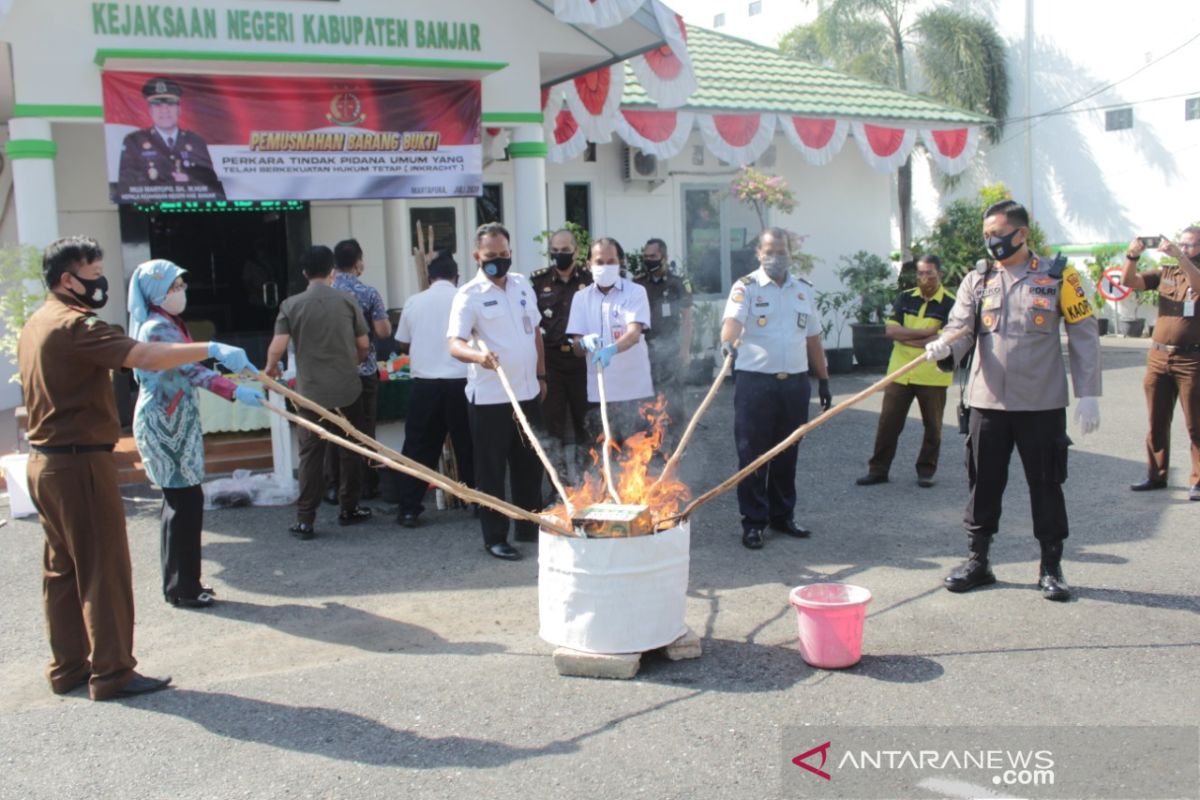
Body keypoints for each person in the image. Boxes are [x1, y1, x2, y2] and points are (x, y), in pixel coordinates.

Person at [18, 235, 256, 700]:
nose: (102, 283)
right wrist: (212, 347)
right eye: (93, 275)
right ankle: (112, 672)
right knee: (103, 569)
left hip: (46, 463)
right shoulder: (76, 326)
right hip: (78, 464)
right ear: (68, 279)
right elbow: (143, 356)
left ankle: (68, 667)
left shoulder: (38, 321)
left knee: (63, 571)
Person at [925, 199, 1102, 601]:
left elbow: (1084, 334)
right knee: (982, 484)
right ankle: (978, 561)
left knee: (1046, 485)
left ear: (1021, 233)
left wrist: (1088, 393)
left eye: (998, 233)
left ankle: (1051, 567)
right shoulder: (979, 278)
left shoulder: (1060, 276)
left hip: (1041, 404)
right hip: (987, 402)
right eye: (987, 234)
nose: (992, 242)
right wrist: (945, 349)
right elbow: (961, 328)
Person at [127, 259, 264, 609]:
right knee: (183, 503)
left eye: (182, 285)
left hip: (177, 420)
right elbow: (192, 371)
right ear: (158, 291)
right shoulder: (157, 328)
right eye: (174, 287)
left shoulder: (169, 322)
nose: (181, 292)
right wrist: (233, 391)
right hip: (165, 423)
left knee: (182, 502)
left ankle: (184, 583)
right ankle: (183, 588)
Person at [720, 227, 831, 550]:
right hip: (755, 383)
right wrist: (728, 342)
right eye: (769, 252)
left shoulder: (803, 290)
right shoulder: (747, 287)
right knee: (753, 455)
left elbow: (813, 338)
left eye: (781, 252)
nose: (776, 258)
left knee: (787, 451)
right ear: (758, 253)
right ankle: (754, 522)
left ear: (789, 254)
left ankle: (783, 516)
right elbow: (733, 322)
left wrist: (822, 379)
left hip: (795, 384)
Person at [447, 223, 546, 561]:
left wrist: (541, 375)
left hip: (528, 392)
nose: (499, 262)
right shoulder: (468, 295)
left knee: (529, 464)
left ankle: (529, 525)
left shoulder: (521, 284)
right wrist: (479, 357)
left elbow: (534, 333)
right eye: (492, 256)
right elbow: (454, 343)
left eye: (504, 255)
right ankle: (495, 537)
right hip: (491, 398)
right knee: (491, 470)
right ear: (477, 256)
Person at [265, 245, 371, 540]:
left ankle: (305, 519)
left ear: (304, 273)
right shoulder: (348, 301)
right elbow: (364, 345)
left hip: (311, 392)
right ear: (332, 271)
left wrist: (270, 369)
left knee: (311, 454)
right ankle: (349, 508)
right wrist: (352, 364)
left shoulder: (290, 305)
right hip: (348, 387)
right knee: (351, 448)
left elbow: (278, 346)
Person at [856, 254, 955, 487]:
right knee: (888, 423)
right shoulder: (905, 298)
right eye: (920, 273)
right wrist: (925, 334)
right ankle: (878, 470)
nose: (924, 278)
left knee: (933, 427)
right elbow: (891, 332)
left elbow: (945, 339)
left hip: (932, 374)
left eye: (929, 273)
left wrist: (909, 337)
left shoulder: (951, 303)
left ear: (940, 274)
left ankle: (926, 471)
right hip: (900, 372)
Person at [394, 252, 475, 527]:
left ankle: (408, 508)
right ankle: (480, 503)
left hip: (425, 385)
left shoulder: (414, 302)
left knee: (418, 447)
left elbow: (403, 343)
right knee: (470, 446)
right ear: (457, 276)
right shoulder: (466, 298)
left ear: (429, 278)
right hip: (461, 382)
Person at [1121, 229, 1200, 501]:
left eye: (1190, 245)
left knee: (1195, 424)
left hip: (1191, 359)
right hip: (1158, 357)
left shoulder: (1193, 272)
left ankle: (1198, 480)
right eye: (1183, 244)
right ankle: (1156, 475)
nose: (1184, 248)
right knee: (1156, 420)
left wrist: (1180, 256)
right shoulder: (1165, 273)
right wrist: (1133, 255)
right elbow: (1128, 280)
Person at [567, 238, 656, 447]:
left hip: (634, 390)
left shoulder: (635, 292)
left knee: (637, 457)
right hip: (599, 392)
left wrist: (611, 350)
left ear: (620, 263)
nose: (605, 267)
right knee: (602, 454)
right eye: (599, 262)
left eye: (611, 261)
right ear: (588, 264)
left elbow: (634, 334)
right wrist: (583, 343)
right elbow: (576, 348)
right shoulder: (581, 298)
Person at [324, 239, 392, 504]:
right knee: (364, 429)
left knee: (333, 428)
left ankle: (333, 485)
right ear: (357, 262)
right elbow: (384, 332)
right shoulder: (368, 293)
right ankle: (366, 484)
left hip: (330, 372)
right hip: (363, 371)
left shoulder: (325, 291)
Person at [530, 229, 592, 479]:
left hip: (582, 361)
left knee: (587, 424)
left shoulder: (590, 281)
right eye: (555, 250)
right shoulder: (538, 282)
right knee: (551, 427)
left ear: (576, 252)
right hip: (552, 362)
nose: (560, 255)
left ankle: (589, 482)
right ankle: (560, 486)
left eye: (565, 251)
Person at [115, 77, 224, 201]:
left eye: (170, 104)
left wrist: (188, 180)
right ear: (150, 111)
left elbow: (214, 188)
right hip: (150, 214)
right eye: (158, 105)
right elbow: (126, 189)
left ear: (179, 109)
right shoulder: (134, 141)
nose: (164, 110)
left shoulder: (196, 141)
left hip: (194, 214)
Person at [634, 238, 693, 449]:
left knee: (674, 402)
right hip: (645, 352)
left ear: (664, 258)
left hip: (671, 351)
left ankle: (677, 445)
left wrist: (685, 351)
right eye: (646, 257)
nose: (649, 261)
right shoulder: (638, 284)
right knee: (646, 401)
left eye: (653, 257)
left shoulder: (677, 283)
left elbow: (687, 320)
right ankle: (649, 446)